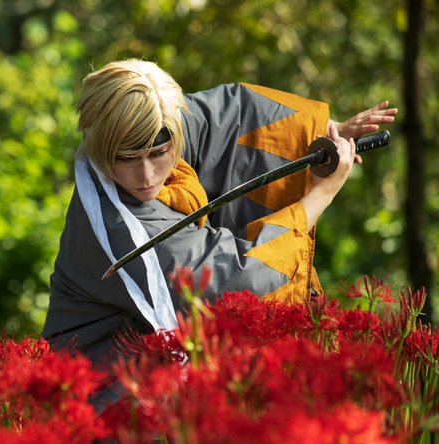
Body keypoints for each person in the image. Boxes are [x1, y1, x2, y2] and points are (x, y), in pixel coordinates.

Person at [42, 59, 397, 370]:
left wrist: (320, 135)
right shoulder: (119, 228)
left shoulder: (155, 122)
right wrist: (322, 193)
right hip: (106, 395)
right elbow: (240, 279)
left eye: (159, 154)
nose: (147, 176)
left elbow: (230, 117)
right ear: (101, 145)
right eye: (128, 158)